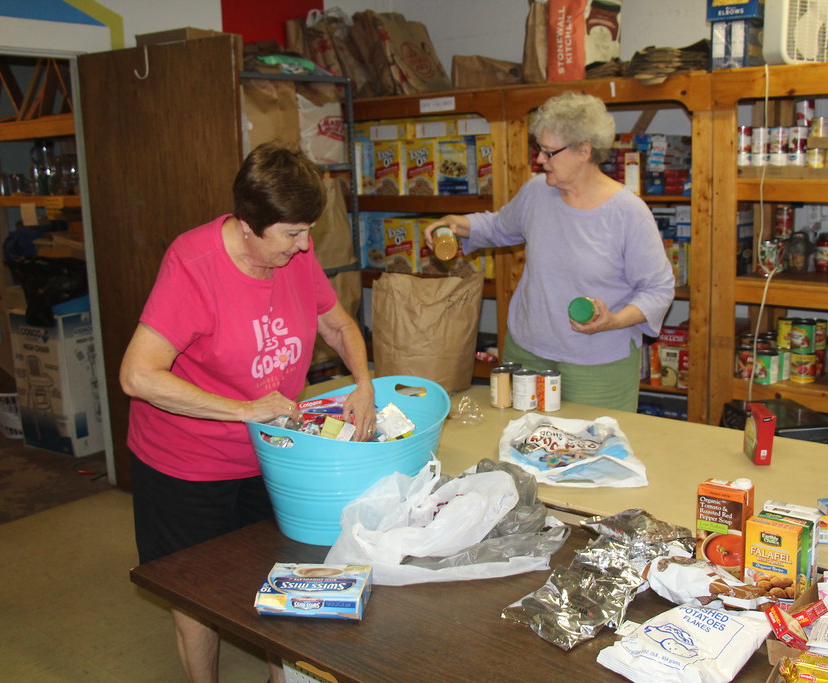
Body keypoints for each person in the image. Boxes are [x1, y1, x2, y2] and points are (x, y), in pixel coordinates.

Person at [119, 142, 375, 683]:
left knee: (278, 576)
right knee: (197, 592)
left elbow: (337, 324)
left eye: (307, 231)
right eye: (292, 234)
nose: (304, 246)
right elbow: (138, 375)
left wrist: (364, 384)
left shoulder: (295, 254)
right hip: (186, 463)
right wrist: (244, 409)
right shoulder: (194, 264)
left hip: (271, 452)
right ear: (246, 224)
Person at [425, 91, 674, 412]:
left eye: (548, 152)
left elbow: (658, 289)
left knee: (591, 440)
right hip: (527, 352)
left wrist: (612, 321)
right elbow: (499, 226)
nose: (540, 160)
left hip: (597, 365)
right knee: (520, 437)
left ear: (584, 151)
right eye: (539, 149)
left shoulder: (628, 212)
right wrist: (458, 224)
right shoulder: (536, 193)